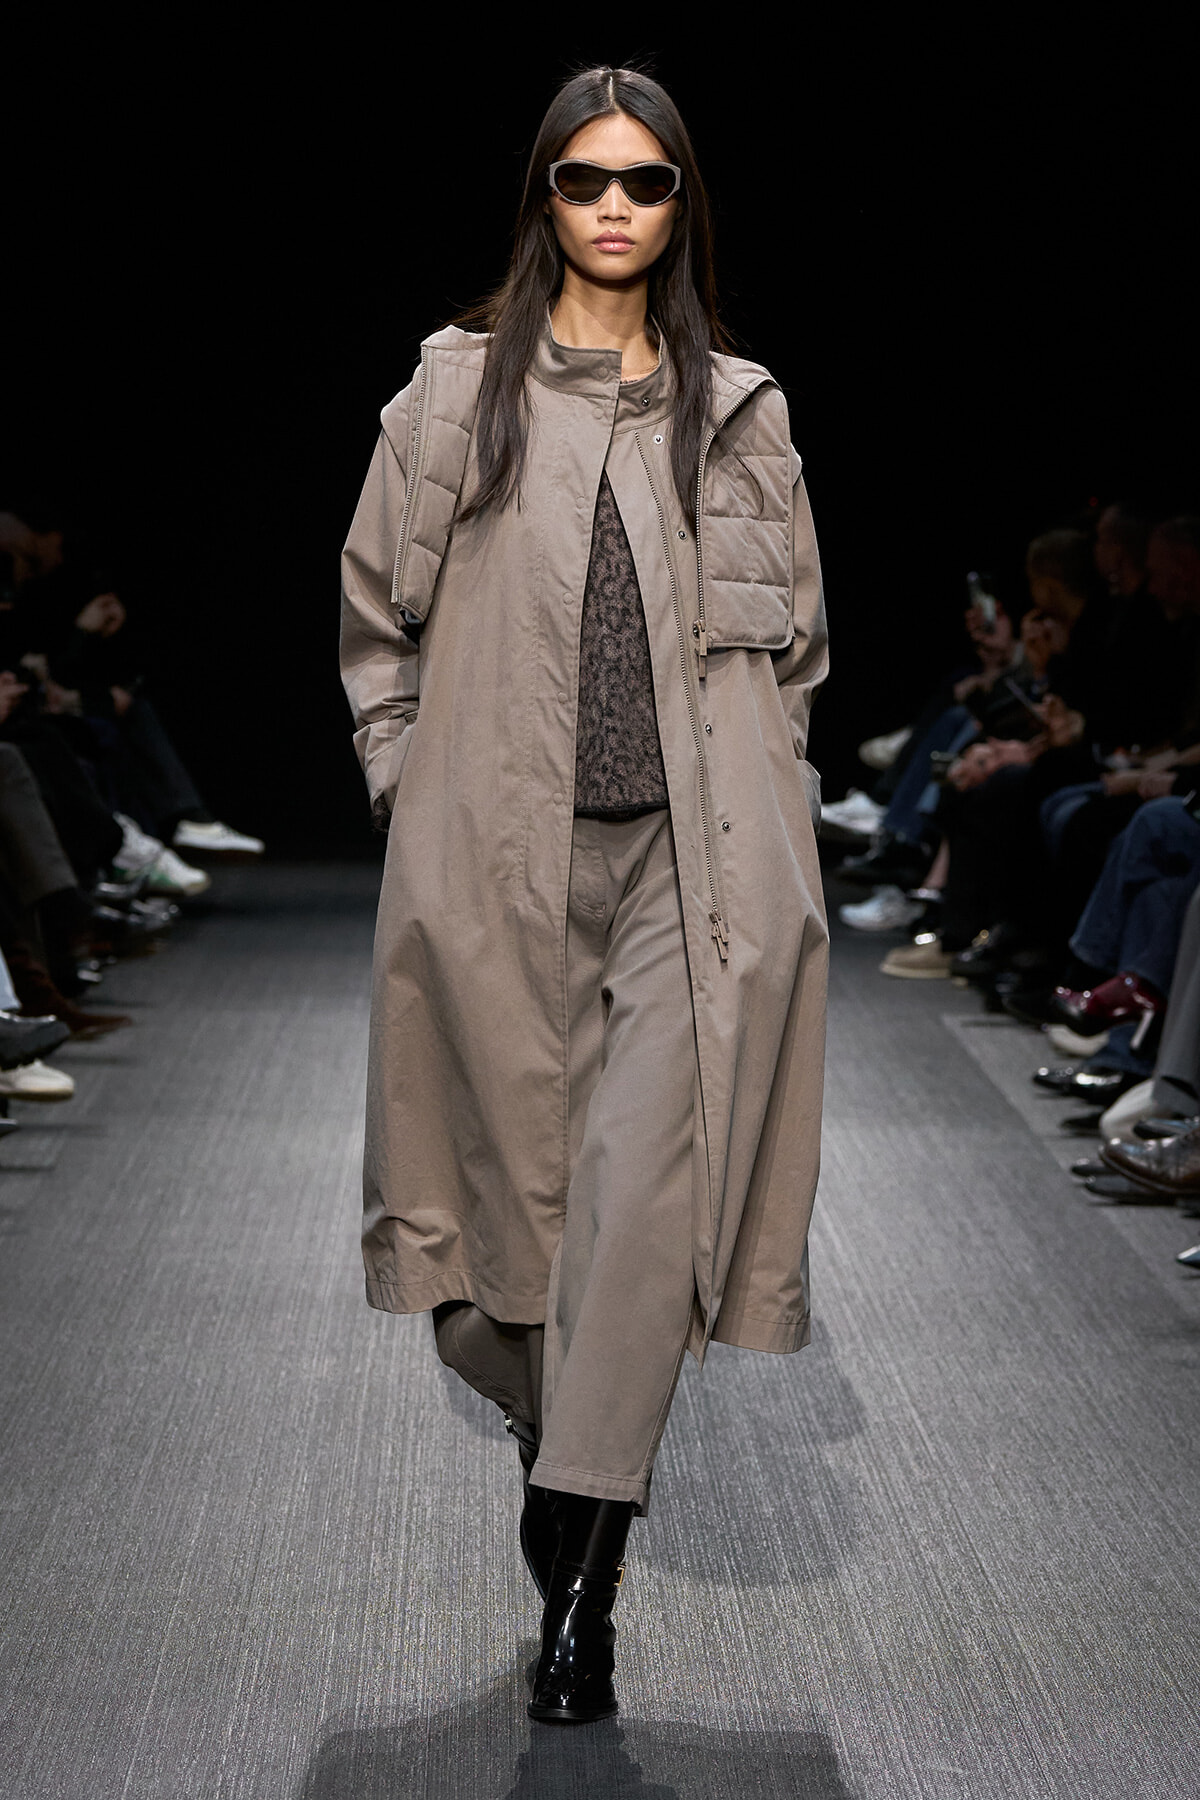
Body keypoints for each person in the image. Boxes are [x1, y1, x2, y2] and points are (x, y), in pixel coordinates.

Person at [340, 65, 829, 1726]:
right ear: (540, 195)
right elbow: (373, 624)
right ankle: (566, 1454)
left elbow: (799, 655)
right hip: (493, 868)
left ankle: (581, 1589)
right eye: (581, 178)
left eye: (648, 182)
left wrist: (772, 823)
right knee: (500, 1254)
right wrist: (413, 793)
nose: (614, 206)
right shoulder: (454, 394)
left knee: (638, 1228)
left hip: (688, 879)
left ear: (686, 202)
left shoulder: (739, 409)